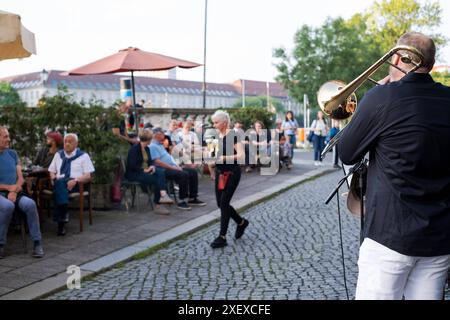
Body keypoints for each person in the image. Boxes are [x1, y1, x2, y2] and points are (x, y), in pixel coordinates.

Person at [338, 32, 450, 300]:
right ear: (430, 65)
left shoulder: (380, 97)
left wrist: (376, 99)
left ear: (397, 58)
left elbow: (347, 152)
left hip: (388, 236)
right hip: (439, 238)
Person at [0, 126, 44, 258]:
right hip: (1, 194)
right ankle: (1, 244)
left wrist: (15, 190)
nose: (9, 139)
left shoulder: (13, 154)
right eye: (5, 136)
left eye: (8, 136)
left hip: (15, 192)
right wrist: (9, 189)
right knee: (8, 206)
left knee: (30, 204)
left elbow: (21, 178)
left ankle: (37, 243)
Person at [208, 111, 248, 249]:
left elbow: (241, 155)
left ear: (224, 123)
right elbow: (212, 155)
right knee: (220, 203)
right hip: (219, 173)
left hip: (232, 173)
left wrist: (225, 158)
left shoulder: (233, 136)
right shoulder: (214, 136)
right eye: (213, 122)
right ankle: (241, 222)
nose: (214, 125)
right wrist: (212, 169)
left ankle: (222, 236)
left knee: (224, 203)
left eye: (216, 122)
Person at [48, 133, 95, 236]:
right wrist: (53, 177)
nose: (67, 144)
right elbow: (51, 171)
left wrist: (76, 180)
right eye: (65, 141)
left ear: (76, 144)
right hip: (61, 182)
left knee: (58, 187)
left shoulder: (83, 156)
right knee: (59, 183)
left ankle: (61, 222)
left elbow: (88, 176)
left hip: (76, 185)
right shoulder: (58, 155)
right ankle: (63, 218)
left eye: (70, 141)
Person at [149, 127, 206, 210]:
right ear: (157, 135)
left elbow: (168, 157)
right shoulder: (153, 146)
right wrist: (174, 167)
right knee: (183, 174)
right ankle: (181, 200)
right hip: (162, 170)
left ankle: (192, 198)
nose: (164, 135)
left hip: (172, 167)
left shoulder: (160, 145)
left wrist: (177, 166)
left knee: (192, 172)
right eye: (162, 133)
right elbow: (158, 162)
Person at [125, 129, 173, 215]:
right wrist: (144, 170)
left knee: (160, 171)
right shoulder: (134, 149)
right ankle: (158, 205)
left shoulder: (147, 148)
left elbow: (150, 161)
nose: (152, 140)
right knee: (157, 179)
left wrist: (152, 166)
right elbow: (132, 165)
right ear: (148, 139)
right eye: (151, 139)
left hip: (145, 171)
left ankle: (163, 194)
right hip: (135, 173)